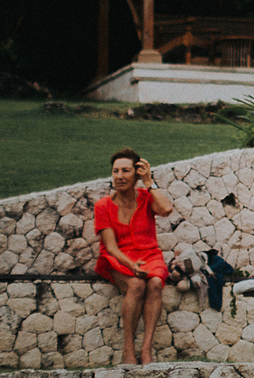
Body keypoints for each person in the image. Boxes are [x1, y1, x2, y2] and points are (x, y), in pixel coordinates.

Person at [93, 148, 176, 364]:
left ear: (136, 174)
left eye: (125, 171)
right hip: (118, 258)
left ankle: (146, 349)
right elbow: (111, 247)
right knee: (137, 285)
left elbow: (167, 209)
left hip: (149, 255)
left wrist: (149, 182)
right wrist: (132, 265)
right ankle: (128, 350)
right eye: (116, 171)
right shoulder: (103, 206)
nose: (119, 176)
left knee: (155, 283)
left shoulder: (147, 198)